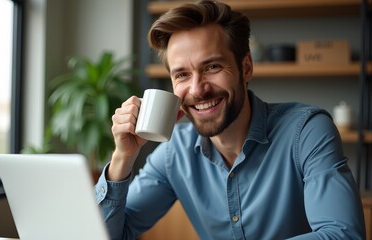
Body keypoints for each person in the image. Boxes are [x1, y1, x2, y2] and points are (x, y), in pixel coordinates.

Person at [95, 0, 366, 239]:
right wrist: (123, 157)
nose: (198, 89)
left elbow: (342, 234)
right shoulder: (173, 154)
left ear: (245, 67)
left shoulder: (306, 131)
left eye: (212, 67)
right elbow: (108, 234)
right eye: (182, 75)